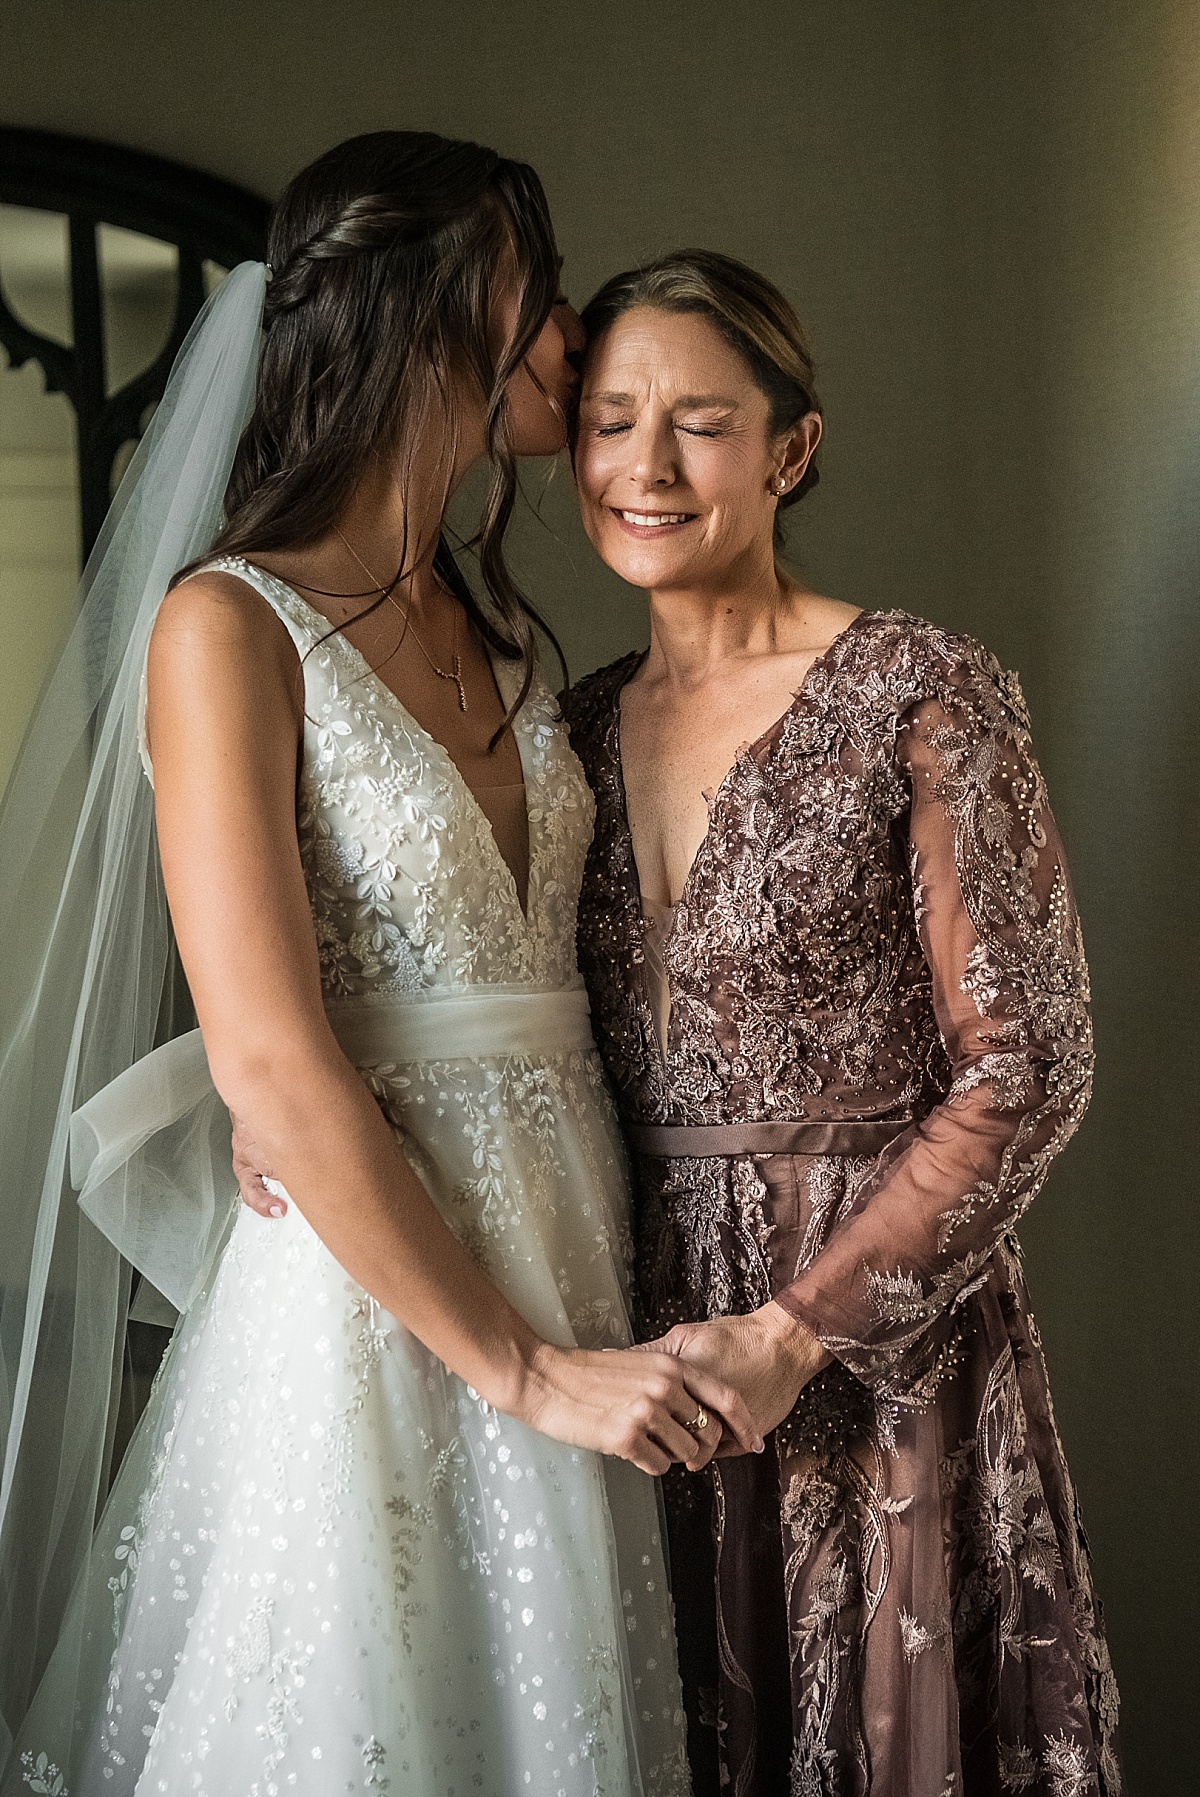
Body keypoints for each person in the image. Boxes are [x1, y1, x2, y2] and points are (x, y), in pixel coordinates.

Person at [0, 137, 774, 1796]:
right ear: (435, 313)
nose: (571, 333)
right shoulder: (228, 627)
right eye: (536, 290)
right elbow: (274, 1058)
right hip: (381, 1309)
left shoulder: (504, 631)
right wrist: (525, 1368)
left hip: (572, 1231)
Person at [560, 251, 1123, 1796]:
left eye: (700, 421)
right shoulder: (561, 729)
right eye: (610, 421)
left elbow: (1032, 1058)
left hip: (884, 1360)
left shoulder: (920, 690)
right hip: (643, 1350)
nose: (645, 468)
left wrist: (794, 1329)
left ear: (790, 450)